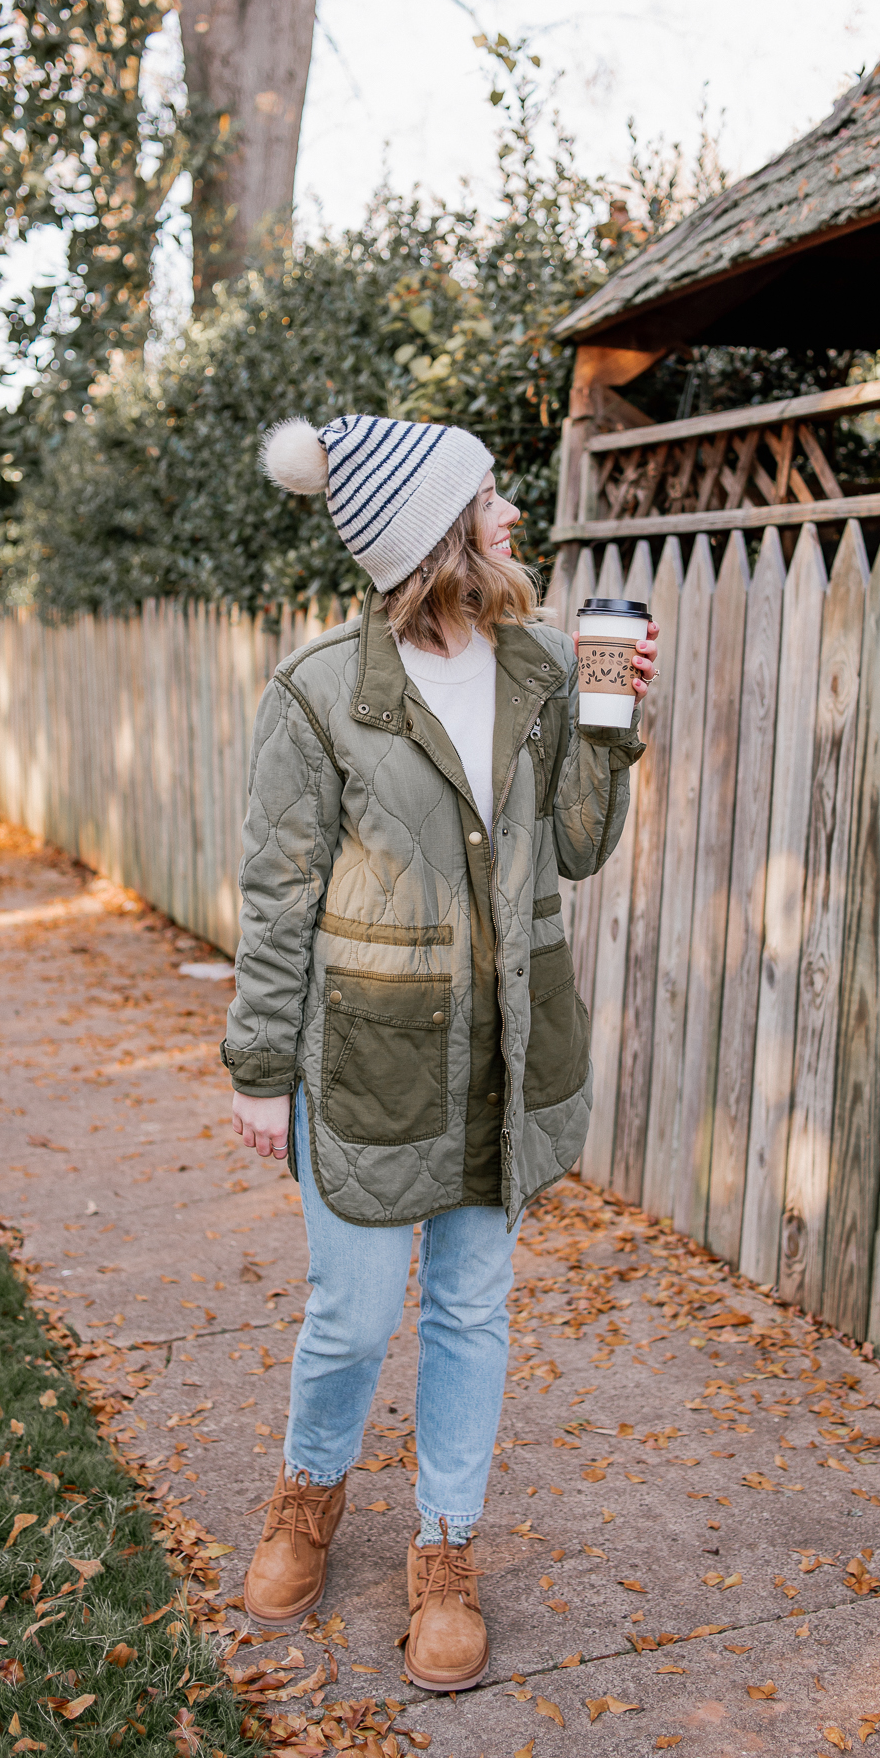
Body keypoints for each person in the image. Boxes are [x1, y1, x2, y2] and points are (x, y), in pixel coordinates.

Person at [222, 411, 657, 1691]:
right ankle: (308, 1500)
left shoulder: (534, 671)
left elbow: (575, 848)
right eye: (487, 497)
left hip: (503, 1054)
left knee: (470, 1310)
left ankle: (444, 1556)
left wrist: (609, 726)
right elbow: (277, 894)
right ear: (434, 534)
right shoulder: (319, 695)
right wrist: (258, 1067)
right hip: (363, 1064)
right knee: (352, 1321)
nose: (512, 514)